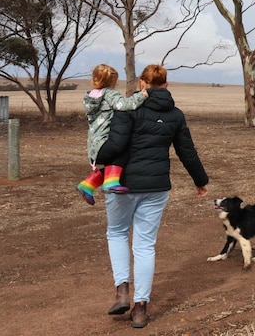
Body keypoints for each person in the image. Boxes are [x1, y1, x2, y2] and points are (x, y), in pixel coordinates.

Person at [95, 64, 209, 329]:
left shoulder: (128, 108)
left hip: (122, 183)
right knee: (145, 246)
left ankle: (122, 290)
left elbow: (116, 144)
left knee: (117, 233)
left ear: (142, 84)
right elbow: (187, 151)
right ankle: (140, 307)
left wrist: (97, 159)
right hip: (157, 187)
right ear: (166, 86)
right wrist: (201, 181)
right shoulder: (176, 115)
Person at [76, 64, 148, 205]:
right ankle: (109, 183)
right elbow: (125, 105)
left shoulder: (90, 97)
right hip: (106, 142)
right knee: (123, 152)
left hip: (95, 147)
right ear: (112, 81)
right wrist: (142, 95)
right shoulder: (110, 94)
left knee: (114, 162)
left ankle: (88, 184)